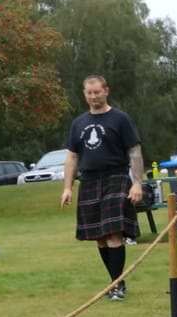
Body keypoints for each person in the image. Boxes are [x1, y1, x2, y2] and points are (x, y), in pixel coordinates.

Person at [61, 75, 144, 301]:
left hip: (115, 177)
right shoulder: (78, 123)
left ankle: (117, 286)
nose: (94, 96)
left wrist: (137, 183)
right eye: (89, 93)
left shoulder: (120, 119)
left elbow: (134, 152)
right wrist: (67, 188)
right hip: (89, 180)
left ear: (106, 90)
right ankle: (116, 282)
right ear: (84, 94)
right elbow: (72, 157)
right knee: (99, 236)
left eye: (97, 92)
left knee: (113, 233)